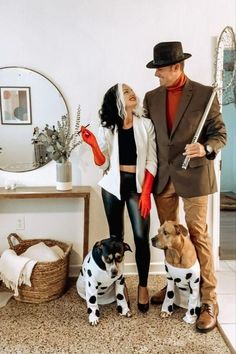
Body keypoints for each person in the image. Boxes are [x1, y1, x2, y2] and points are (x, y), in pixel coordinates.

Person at [144, 41, 227, 332]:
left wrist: (205, 148)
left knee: (197, 235)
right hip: (164, 177)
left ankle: (208, 301)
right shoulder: (151, 98)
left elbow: (220, 133)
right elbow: (148, 138)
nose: (157, 75)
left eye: (161, 70)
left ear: (177, 67)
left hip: (195, 175)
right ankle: (175, 289)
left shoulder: (205, 94)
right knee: (168, 238)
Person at [81, 83, 157, 312]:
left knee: (141, 236)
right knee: (115, 238)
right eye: (126, 92)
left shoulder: (146, 125)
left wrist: (146, 193)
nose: (132, 93)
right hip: (113, 187)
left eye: (132, 90)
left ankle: (143, 286)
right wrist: (94, 143)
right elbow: (102, 163)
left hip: (137, 186)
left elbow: (152, 161)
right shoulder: (110, 128)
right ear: (117, 100)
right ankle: (119, 287)